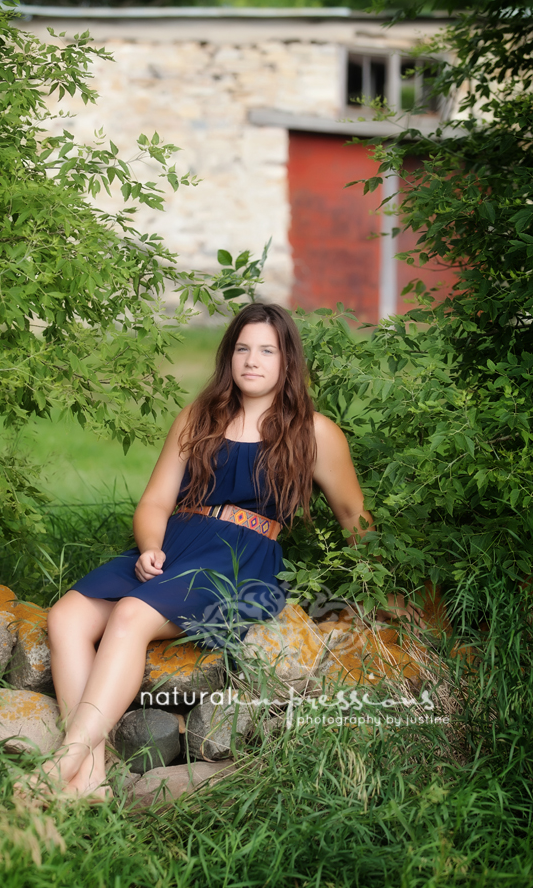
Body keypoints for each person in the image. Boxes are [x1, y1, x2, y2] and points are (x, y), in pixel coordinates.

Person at [44, 303, 373, 801]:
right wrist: (150, 547)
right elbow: (154, 502)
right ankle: (88, 776)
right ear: (229, 356)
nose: (252, 360)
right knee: (67, 615)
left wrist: (371, 594)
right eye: (243, 348)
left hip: (242, 560)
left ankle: (60, 764)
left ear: (288, 361)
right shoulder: (200, 417)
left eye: (267, 350)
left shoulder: (314, 432)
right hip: (178, 542)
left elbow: (355, 520)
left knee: (131, 614)